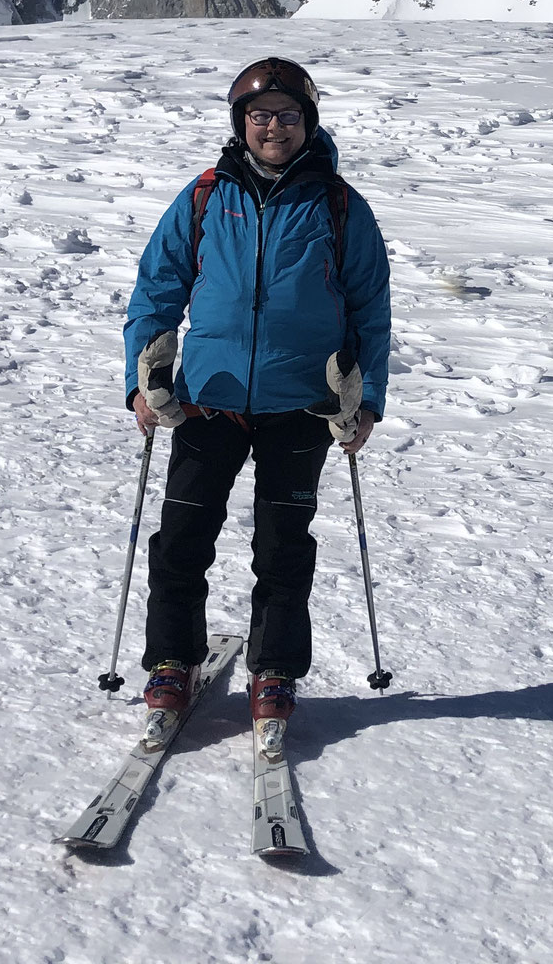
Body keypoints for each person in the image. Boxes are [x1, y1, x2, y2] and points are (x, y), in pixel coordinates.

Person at [122, 56, 391, 752]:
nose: (274, 127)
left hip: (300, 405)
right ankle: (171, 664)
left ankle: (273, 672)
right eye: (260, 115)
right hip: (208, 401)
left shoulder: (338, 205)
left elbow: (370, 309)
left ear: (309, 123)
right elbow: (158, 287)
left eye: (288, 114)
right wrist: (142, 377)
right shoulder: (207, 196)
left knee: (283, 549)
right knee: (180, 541)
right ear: (241, 122)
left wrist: (368, 399)